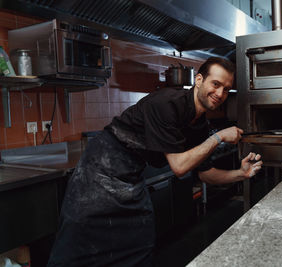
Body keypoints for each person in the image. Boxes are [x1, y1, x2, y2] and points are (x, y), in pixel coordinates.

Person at [47, 57, 263, 267]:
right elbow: (179, 167)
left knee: (138, 244)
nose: (220, 94)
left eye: (226, 89)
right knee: (77, 246)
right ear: (199, 80)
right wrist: (218, 138)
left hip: (131, 176)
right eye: (216, 84)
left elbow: (205, 174)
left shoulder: (199, 126)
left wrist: (241, 174)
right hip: (99, 170)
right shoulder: (167, 103)